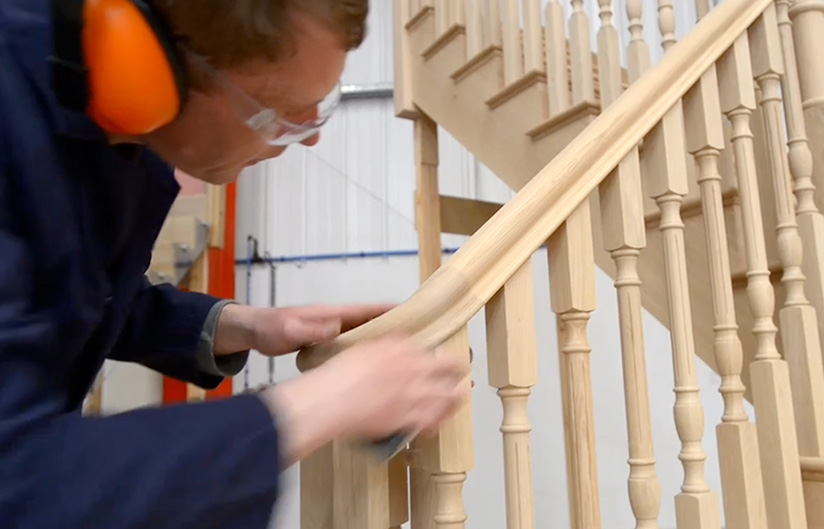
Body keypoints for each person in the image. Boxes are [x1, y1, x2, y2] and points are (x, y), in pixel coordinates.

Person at [0, 1, 471, 528]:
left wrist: (242, 325)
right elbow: (14, 480)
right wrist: (315, 407)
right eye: (280, 114)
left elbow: (72, 293)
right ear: (149, 68)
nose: (309, 137)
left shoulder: (121, 129)